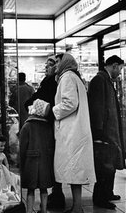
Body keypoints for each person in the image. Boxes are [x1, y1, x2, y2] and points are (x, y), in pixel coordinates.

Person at [52, 53, 96, 213]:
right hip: (77, 130)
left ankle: (77, 207)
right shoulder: (74, 77)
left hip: (72, 131)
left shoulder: (67, 78)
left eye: (58, 62)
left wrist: (53, 109)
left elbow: (70, 103)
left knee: (73, 170)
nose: (56, 65)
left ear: (65, 63)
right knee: (75, 172)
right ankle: (77, 206)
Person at [25, 56, 65, 209]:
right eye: (46, 65)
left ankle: (56, 194)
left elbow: (40, 99)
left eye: (51, 65)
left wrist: (32, 105)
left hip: (50, 124)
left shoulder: (52, 82)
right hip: (51, 123)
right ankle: (56, 193)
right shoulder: (51, 81)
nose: (47, 68)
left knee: (52, 158)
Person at [87, 55, 125, 210]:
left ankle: (108, 192)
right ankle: (100, 197)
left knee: (110, 165)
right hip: (104, 133)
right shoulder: (99, 79)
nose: (120, 73)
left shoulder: (106, 79)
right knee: (104, 167)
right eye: (120, 69)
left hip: (109, 131)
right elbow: (96, 107)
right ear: (114, 65)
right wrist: (99, 132)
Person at [19, 99, 55, 213]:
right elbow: (51, 144)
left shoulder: (27, 126)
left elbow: (22, 146)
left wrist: (21, 161)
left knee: (31, 189)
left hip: (30, 162)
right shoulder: (47, 126)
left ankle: (29, 210)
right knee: (44, 189)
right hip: (45, 160)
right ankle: (44, 210)